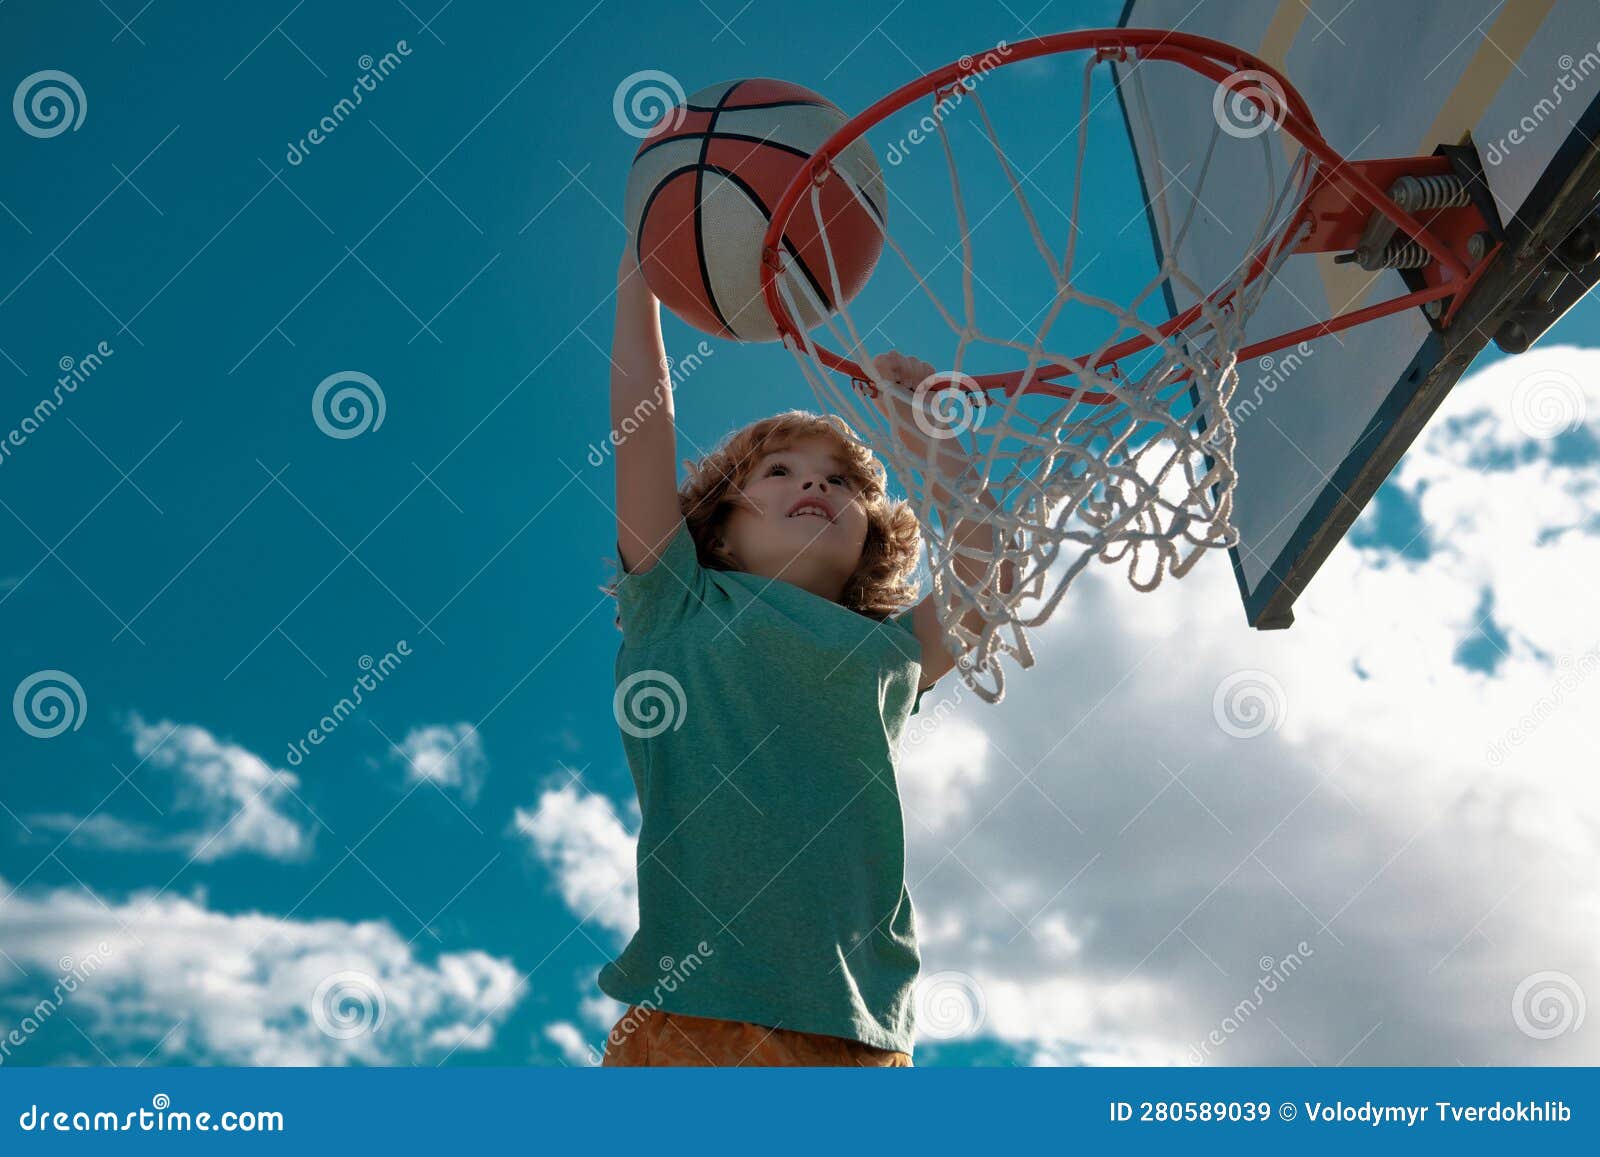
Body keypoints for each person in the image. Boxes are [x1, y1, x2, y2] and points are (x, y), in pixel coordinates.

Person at [598, 248, 1009, 1066]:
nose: (814, 484)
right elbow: (643, 419)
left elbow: (988, 565)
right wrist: (642, 271)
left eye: (842, 481)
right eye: (778, 471)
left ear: (871, 536)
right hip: (700, 1015)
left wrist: (927, 438)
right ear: (718, 526)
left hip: (861, 1031)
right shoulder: (680, 598)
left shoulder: (892, 653)